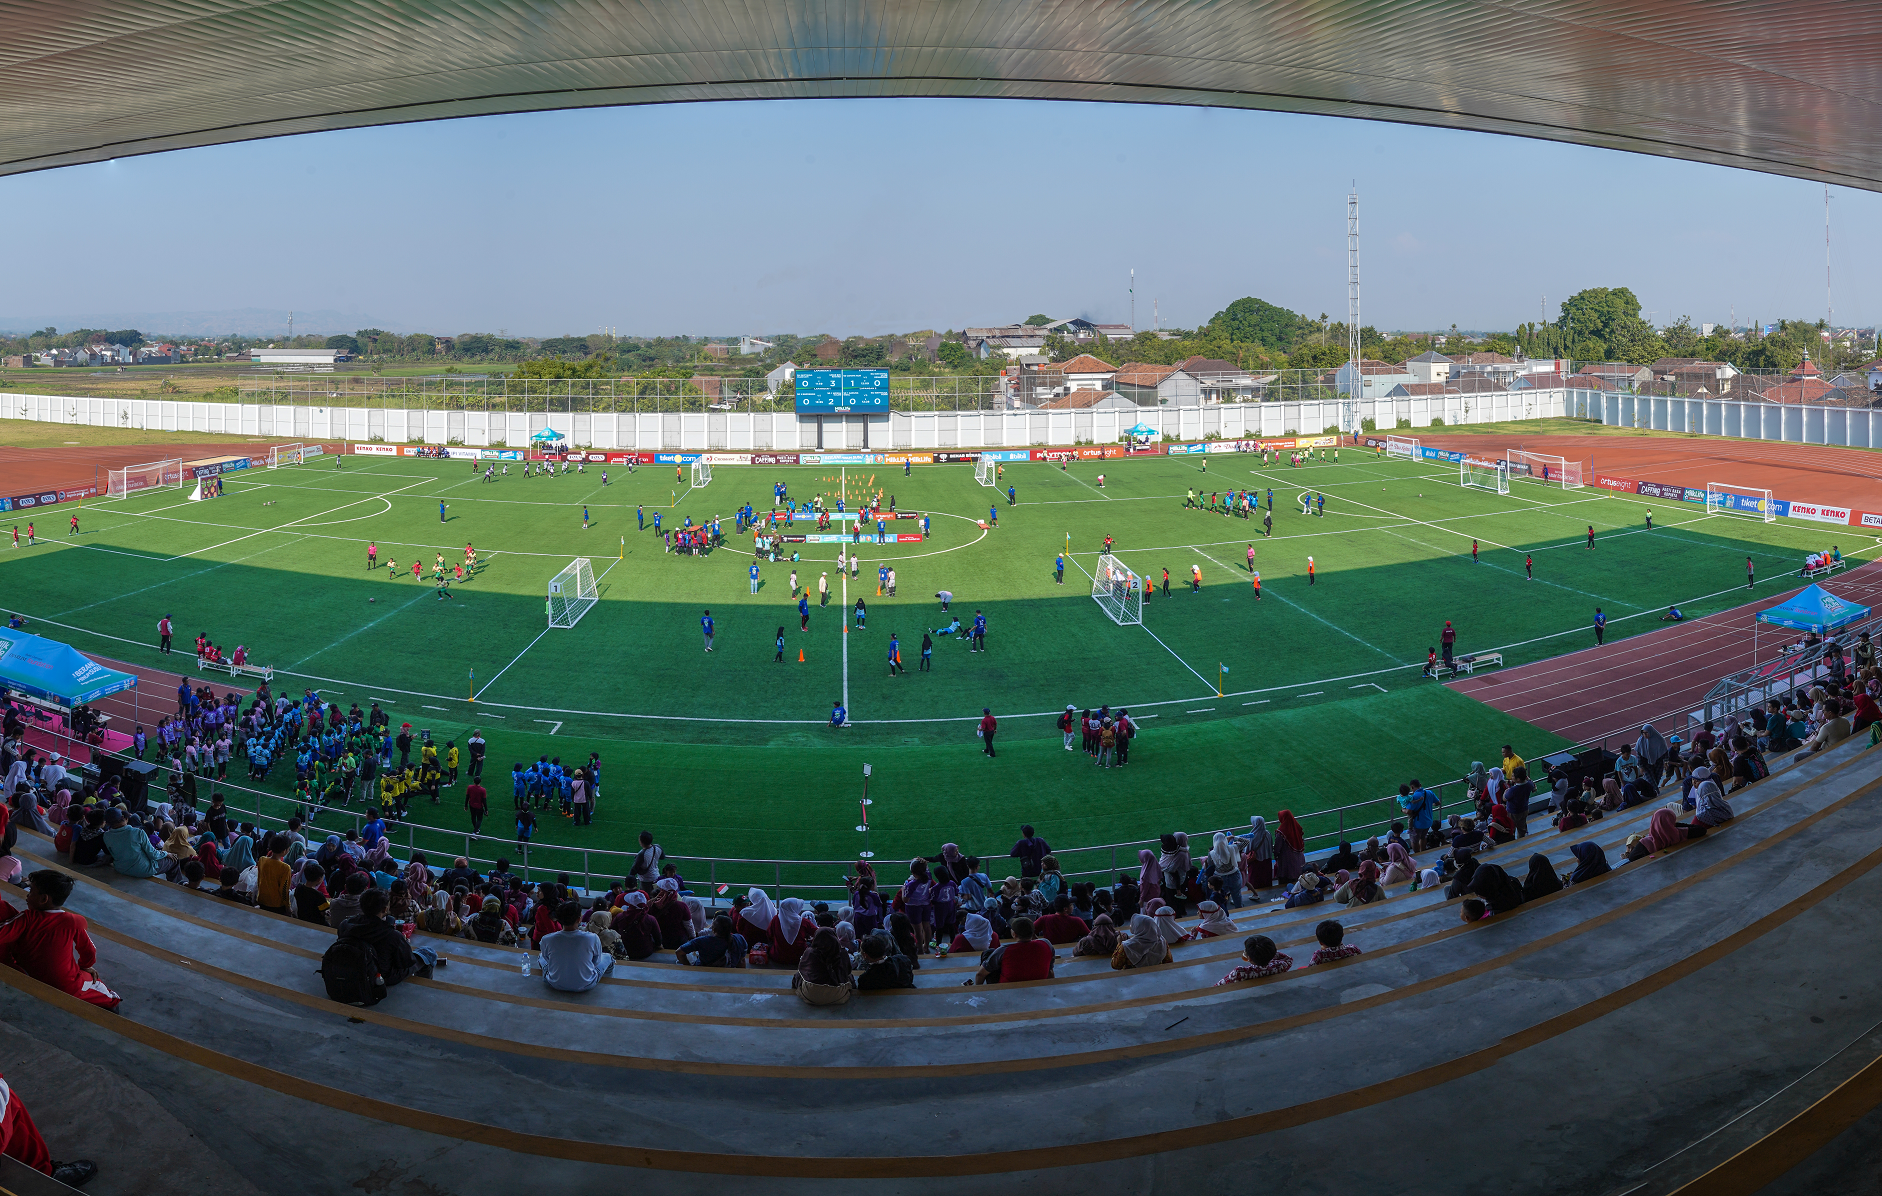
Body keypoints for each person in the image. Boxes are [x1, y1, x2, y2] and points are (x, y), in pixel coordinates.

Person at [337, 887, 441, 987]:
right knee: (428, 952)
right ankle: (426, 988)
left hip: (352, 969)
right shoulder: (392, 935)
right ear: (385, 909)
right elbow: (407, 962)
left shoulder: (345, 924)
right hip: (382, 977)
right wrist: (404, 943)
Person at [538, 900, 613, 993]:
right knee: (608, 957)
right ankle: (610, 981)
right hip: (586, 984)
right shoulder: (592, 938)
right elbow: (596, 961)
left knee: (541, 956)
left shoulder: (547, 939)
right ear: (579, 919)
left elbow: (547, 959)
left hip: (554, 983)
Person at [792, 927, 854, 1005]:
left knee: (798, 975)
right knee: (849, 977)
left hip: (811, 994)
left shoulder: (810, 952)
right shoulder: (842, 952)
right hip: (839, 994)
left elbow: (802, 969)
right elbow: (847, 971)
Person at [1216, 934, 1293, 984]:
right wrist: (1269, 951)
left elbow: (1220, 985)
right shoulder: (1280, 966)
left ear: (1249, 959)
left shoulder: (1240, 972)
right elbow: (1288, 959)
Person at [676, 915, 749, 967]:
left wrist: (689, 967)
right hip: (729, 974)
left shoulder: (701, 941)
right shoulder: (740, 939)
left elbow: (679, 952)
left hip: (702, 973)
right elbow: (741, 961)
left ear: (714, 929)